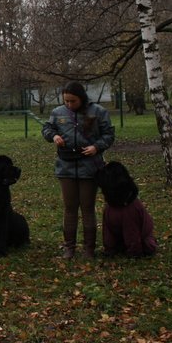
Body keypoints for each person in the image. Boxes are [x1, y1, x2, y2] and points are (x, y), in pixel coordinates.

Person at [42, 81, 115, 259]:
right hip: (66, 167)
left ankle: (89, 249)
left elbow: (109, 135)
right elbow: (47, 128)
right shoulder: (57, 113)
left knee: (88, 208)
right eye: (66, 101)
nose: (69, 104)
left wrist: (96, 147)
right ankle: (69, 248)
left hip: (89, 168)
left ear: (81, 98)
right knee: (70, 208)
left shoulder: (98, 112)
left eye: (72, 101)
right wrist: (54, 136)